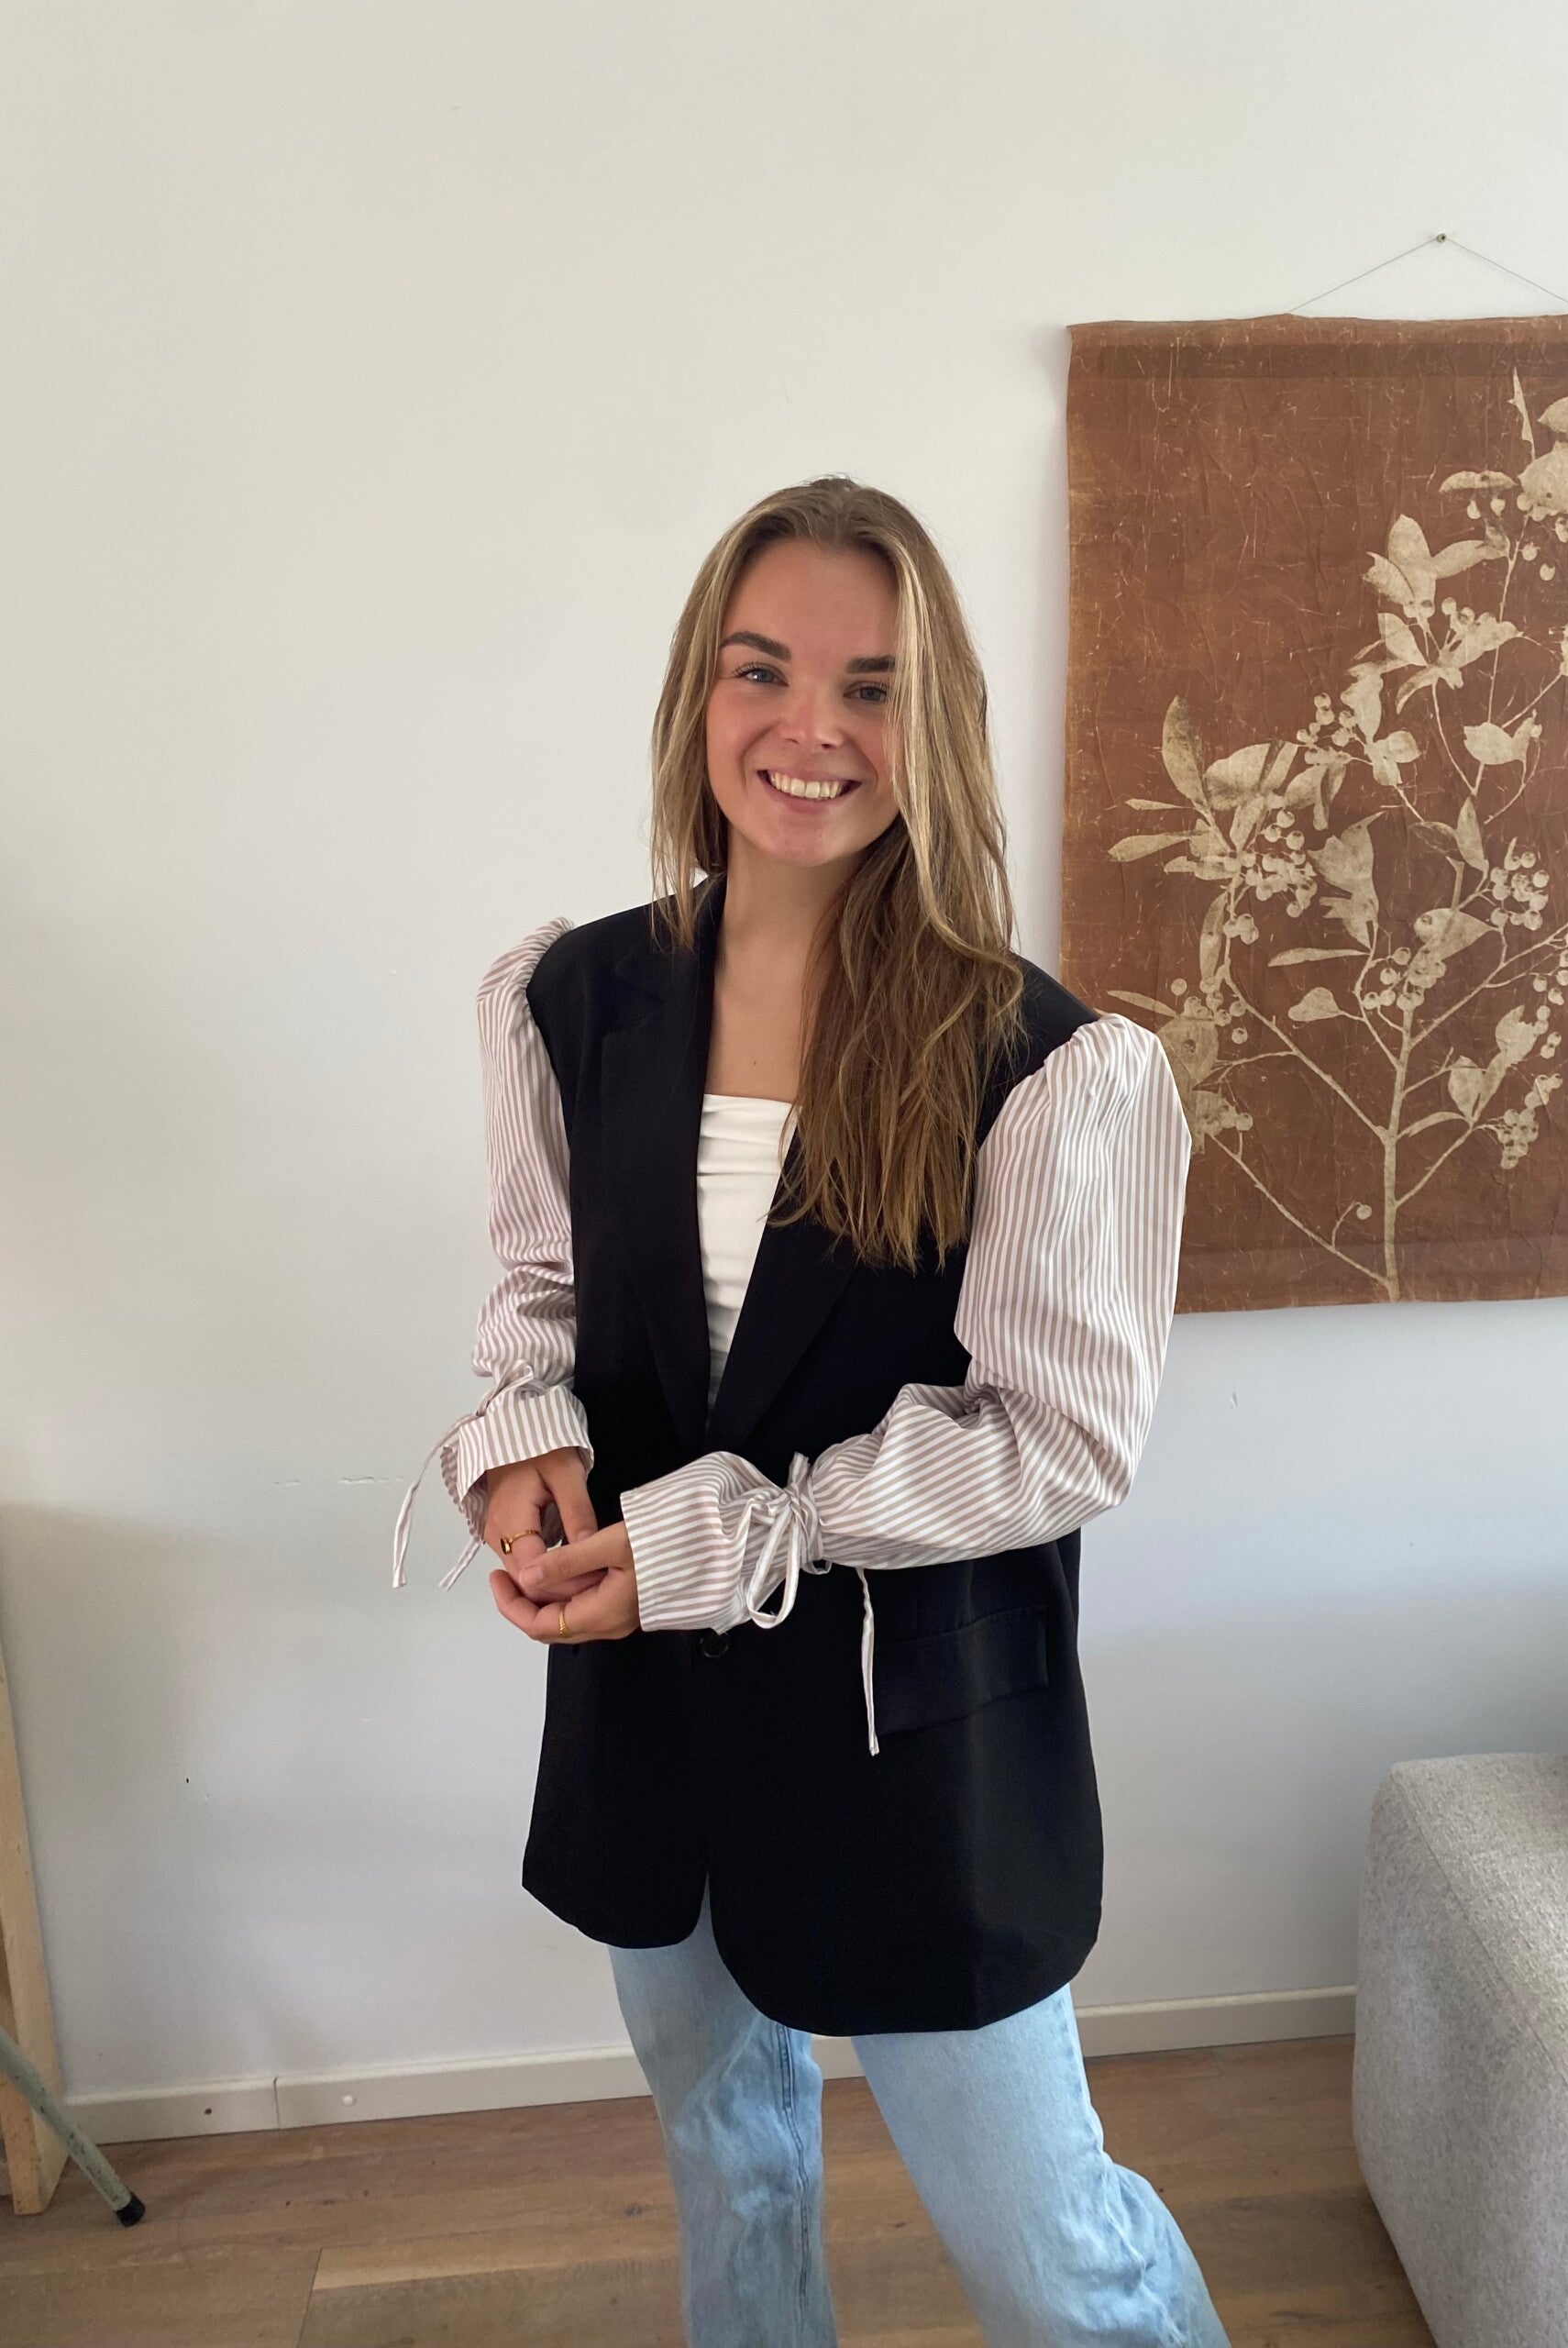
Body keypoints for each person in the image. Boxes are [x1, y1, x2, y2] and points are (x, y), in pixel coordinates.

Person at [392, 475, 1227, 2348]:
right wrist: (525, 1445)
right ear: (700, 690)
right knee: (734, 2166)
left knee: (1053, 2251)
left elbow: (1063, 1436)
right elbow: (541, 1294)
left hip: (917, 1751)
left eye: (871, 687)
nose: (810, 728)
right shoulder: (569, 999)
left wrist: (723, 1538)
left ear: (936, 728)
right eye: (763, 669)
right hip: (652, 1734)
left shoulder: (1048, 1066)